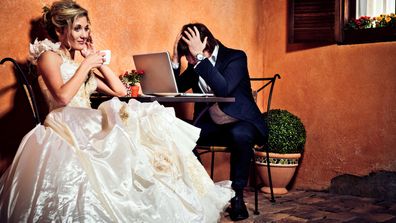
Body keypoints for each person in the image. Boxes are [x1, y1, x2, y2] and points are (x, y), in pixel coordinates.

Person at [0, 1, 233, 222]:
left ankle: (157, 199)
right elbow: (61, 97)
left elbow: (120, 90)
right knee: (124, 127)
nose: (84, 34)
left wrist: (98, 62)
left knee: (144, 118)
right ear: (61, 30)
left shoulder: (80, 61)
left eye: (86, 28)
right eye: (78, 28)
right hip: (65, 120)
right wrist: (86, 64)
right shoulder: (48, 57)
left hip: (85, 119)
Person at [172, 23, 268, 221]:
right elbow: (174, 89)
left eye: (188, 54)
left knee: (239, 134)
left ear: (204, 44)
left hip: (241, 121)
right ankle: (205, 193)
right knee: (180, 134)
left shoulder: (235, 57)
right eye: (186, 57)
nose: (188, 61)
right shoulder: (194, 65)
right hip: (213, 124)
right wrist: (174, 61)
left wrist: (199, 57)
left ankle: (237, 197)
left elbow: (223, 89)